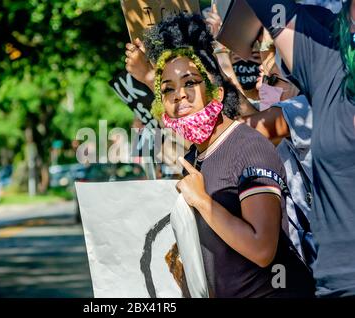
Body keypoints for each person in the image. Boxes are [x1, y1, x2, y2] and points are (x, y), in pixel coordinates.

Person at [138, 13, 315, 298]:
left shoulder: (249, 147)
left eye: (190, 82)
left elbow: (261, 250)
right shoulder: (194, 158)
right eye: (167, 88)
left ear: (217, 94)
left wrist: (204, 203)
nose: (178, 95)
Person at [241, 0, 355, 298]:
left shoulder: (300, 107)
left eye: (275, 80)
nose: (266, 86)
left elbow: (251, 129)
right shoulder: (328, 71)